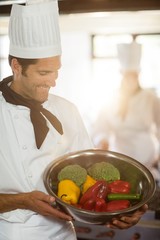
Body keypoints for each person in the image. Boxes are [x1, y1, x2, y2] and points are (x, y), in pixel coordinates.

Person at [0, 1, 148, 239]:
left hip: (63, 234)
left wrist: (120, 211)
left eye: (57, 71)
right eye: (44, 73)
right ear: (17, 66)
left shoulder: (67, 110)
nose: (53, 81)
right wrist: (23, 200)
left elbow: (89, 183)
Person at [92, 41, 160, 180]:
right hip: (120, 158)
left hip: (148, 160)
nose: (130, 79)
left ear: (138, 75)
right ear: (121, 74)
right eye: (127, 75)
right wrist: (102, 140)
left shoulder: (151, 98)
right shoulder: (110, 98)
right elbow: (100, 128)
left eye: (133, 75)